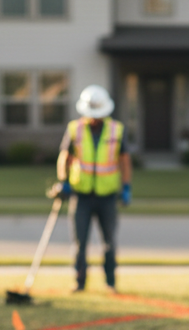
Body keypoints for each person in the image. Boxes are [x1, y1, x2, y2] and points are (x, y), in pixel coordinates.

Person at [56, 85, 132, 293]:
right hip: (81, 195)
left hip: (107, 196)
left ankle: (110, 282)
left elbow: (125, 160)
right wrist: (63, 181)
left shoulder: (116, 130)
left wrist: (126, 186)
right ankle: (79, 282)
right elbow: (65, 157)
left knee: (109, 242)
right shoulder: (75, 129)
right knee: (80, 242)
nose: (95, 119)